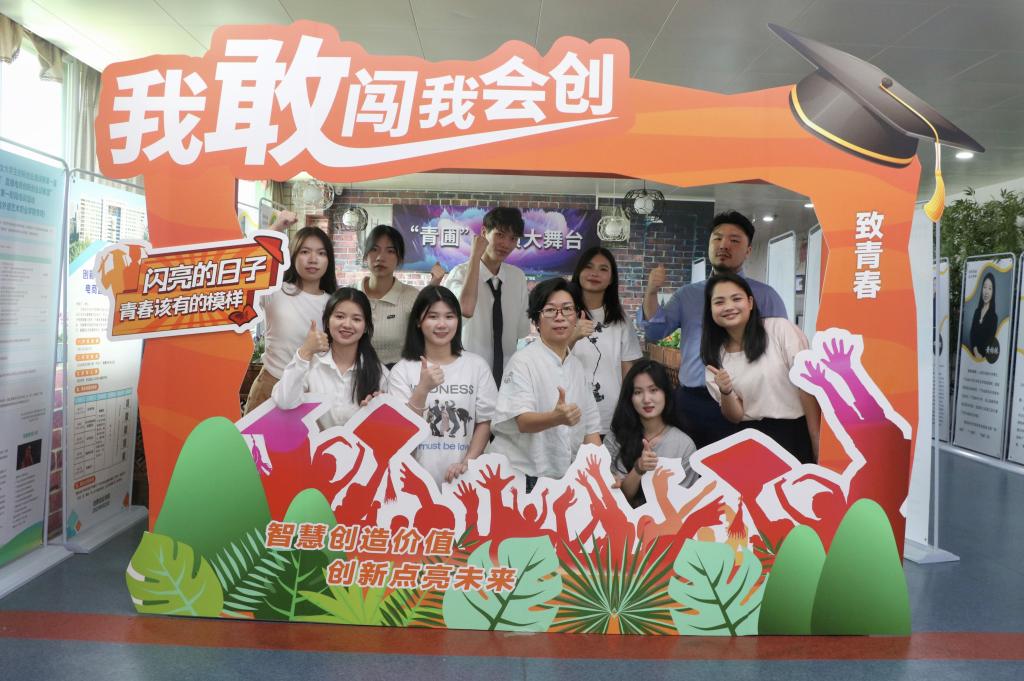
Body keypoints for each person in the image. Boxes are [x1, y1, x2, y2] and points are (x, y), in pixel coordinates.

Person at [639, 210, 787, 448]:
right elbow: (654, 333)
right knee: (688, 466)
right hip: (693, 401)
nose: (723, 245)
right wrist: (651, 292)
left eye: (734, 240)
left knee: (736, 466)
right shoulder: (688, 295)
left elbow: (778, 353)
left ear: (748, 250)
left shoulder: (766, 296)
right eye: (717, 238)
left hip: (745, 402)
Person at [489, 278, 601, 492]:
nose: (560, 317)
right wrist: (555, 418)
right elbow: (523, 421)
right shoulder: (523, 362)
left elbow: (591, 431)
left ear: (577, 317)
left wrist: (601, 475)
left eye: (567, 309)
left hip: (564, 479)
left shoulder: (577, 367)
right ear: (536, 320)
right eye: (550, 310)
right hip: (521, 479)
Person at [701, 273, 820, 464]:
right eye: (719, 302)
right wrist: (726, 391)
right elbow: (735, 416)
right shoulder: (715, 353)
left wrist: (816, 439)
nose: (729, 307)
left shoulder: (780, 329)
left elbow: (807, 388)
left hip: (795, 433)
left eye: (736, 299)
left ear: (750, 302)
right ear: (710, 309)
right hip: (750, 440)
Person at [388, 285, 497, 487]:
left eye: (449, 316)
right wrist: (422, 389)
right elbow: (400, 432)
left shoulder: (476, 366)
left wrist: (467, 463)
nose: (442, 324)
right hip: (413, 481)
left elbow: (485, 421)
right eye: (432, 316)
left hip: (465, 480)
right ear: (418, 321)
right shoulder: (402, 370)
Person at [244, 222, 335, 414]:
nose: (313, 259)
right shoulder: (275, 290)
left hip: (313, 392)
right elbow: (247, 267)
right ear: (292, 255)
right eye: (305, 252)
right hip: (270, 386)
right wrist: (277, 226)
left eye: (321, 253)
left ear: (329, 260)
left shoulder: (334, 303)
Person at [272, 287, 388, 430]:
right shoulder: (310, 363)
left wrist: (381, 409)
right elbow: (285, 401)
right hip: (314, 444)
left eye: (356, 319)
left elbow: (391, 428)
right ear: (327, 321)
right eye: (339, 316)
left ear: (365, 327)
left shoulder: (379, 372)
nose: (347, 324)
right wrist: (305, 351)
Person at [442, 207, 530, 386]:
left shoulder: (517, 277)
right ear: (484, 232)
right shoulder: (459, 274)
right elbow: (461, 313)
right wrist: (475, 256)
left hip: (507, 377)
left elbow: (521, 331)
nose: (506, 244)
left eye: (513, 238)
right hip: (467, 376)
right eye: (500, 235)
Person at [569, 247, 643, 436]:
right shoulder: (564, 314)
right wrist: (573, 336)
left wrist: (628, 411)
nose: (595, 273)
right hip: (569, 414)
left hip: (610, 416)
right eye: (589, 267)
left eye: (603, 269)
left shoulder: (621, 321)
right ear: (578, 272)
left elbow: (628, 372)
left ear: (611, 279)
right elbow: (551, 359)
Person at [606, 359, 698, 507]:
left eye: (653, 390)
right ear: (629, 398)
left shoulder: (684, 445)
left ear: (666, 393)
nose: (646, 399)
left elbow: (686, 503)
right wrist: (638, 468)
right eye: (638, 392)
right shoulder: (615, 438)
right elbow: (617, 499)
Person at [358, 225, 434, 368]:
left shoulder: (412, 297)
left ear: (399, 259)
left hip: (398, 376)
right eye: (374, 249)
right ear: (365, 254)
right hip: (353, 374)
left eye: (390, 251)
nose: (380, 257)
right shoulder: (349, 295)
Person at [969, 271, 998, 360]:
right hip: (972, 356)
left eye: (990, 288)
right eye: (984, 287)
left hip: (984, 360)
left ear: (993, 292)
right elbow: (972, 333)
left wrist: (980, 355)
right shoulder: (977, 312)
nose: (986, 292)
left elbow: (990, 341)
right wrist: (975, 351)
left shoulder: (994, 317)